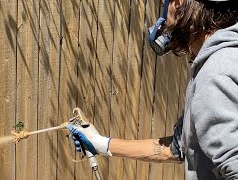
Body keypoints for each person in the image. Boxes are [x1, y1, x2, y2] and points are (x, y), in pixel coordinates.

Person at [67, 0, 238, 179]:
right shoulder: (222, 63)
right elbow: (178, 148)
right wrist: (100, 144)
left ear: (179, 3)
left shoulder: (216, 74)